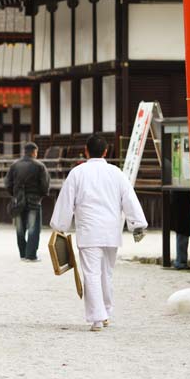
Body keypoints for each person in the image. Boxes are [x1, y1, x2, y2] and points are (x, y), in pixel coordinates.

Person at [50, 132, 148, 332]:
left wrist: (60, 225)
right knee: (106, 274)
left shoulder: (78, 173)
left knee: (92, 274)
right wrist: (137, 224)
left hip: (88, 230)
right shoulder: (116, 173)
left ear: (86, 151)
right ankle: (106, 313)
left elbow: (66, 201)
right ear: (105, 151)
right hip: (111, 230)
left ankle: (97, 318)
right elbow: (129, 198)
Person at [5, 141, 50, 262]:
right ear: (34, 152)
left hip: (19, 200)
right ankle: (31, 255)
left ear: (24, 152)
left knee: (20, 229)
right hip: (34, 201)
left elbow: (8, 184)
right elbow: (45, 186)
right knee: (33, 228)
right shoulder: (40, 166)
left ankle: (23, 253)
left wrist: (15, 195)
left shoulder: (15, 165)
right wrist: (41, 196)